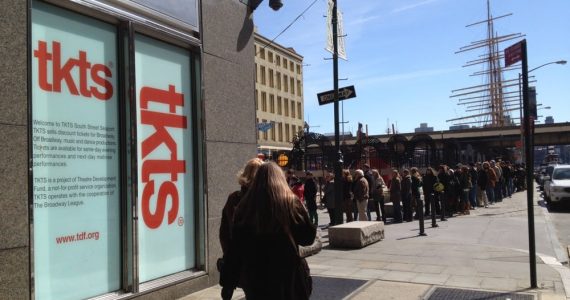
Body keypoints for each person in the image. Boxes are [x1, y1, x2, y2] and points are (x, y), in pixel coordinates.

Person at [221, 162, 317, 300]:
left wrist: (228, 283)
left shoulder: (244, 206)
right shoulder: (291, 203)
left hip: (256, 277)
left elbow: (234, 249)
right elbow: (307, 238)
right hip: (287, 276)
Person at [219, 158, 263, 299]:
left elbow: (224, 231)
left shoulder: (234, 198)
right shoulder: (264, 199)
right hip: (258, 262)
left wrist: (228, 253)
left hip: (236, 258)